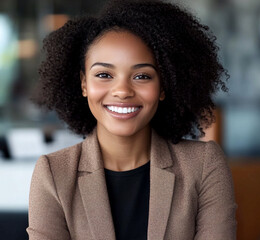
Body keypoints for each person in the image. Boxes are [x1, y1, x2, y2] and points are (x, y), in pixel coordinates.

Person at [27, 0, 237, 239]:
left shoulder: (203, 166)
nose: (122, 90)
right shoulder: (54, 174)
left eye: (142, 76)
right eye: (104, 74)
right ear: (84, 83)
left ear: (163, 86)